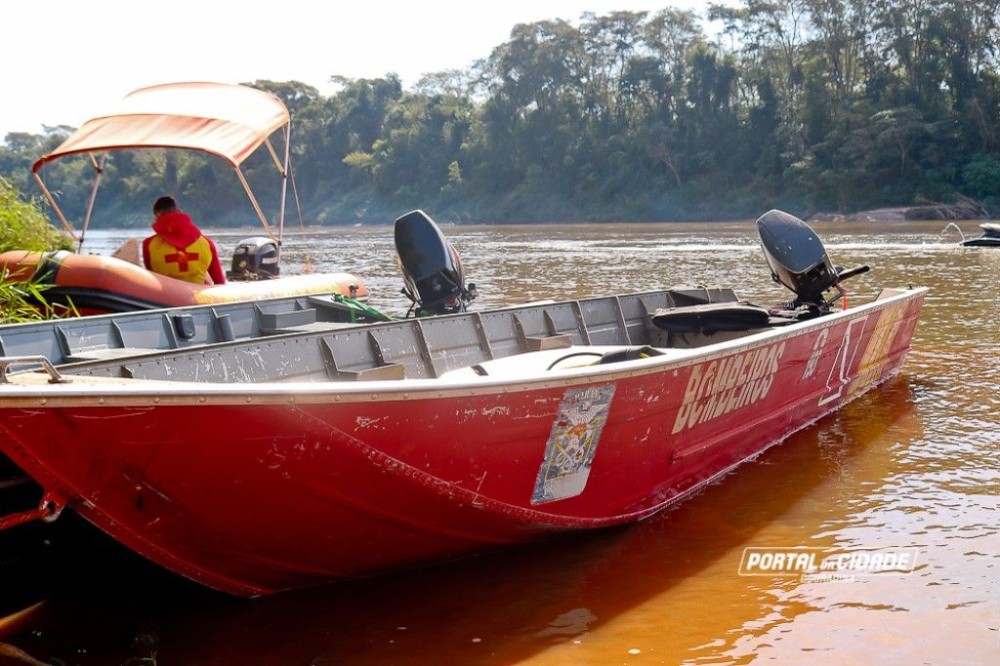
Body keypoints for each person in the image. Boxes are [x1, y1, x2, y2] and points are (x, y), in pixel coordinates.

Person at [142, 196, 226, 285]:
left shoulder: (148, 245)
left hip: (165, 296)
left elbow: (152, 283)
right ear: (178, 211)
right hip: (199, 295)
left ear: (158, 215)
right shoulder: (207, 243)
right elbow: (220, 282)